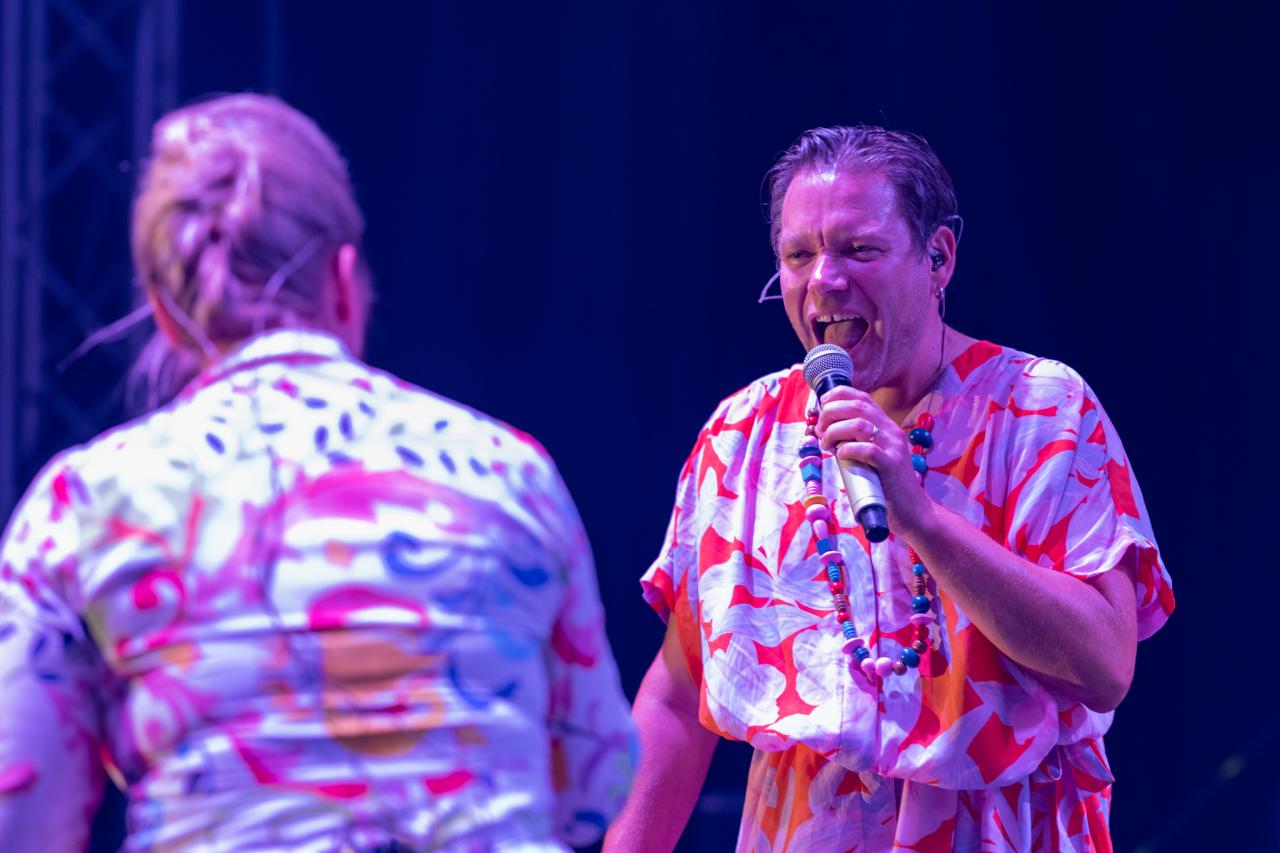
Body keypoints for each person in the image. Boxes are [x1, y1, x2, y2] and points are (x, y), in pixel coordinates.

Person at [0, 93, 634, 852]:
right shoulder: (509, 470)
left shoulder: (80, 503)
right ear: (342, 279)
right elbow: (597, 783)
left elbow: (21, 818)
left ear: (164, 315)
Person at [604, 126, 1173, 852]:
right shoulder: (743, 433)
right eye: (799, 255)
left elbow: (1103, 667)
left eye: (859, 249)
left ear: (939, 257)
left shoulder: (1041, 409)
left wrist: (922, 517)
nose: (824, 279)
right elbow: (679, 695)